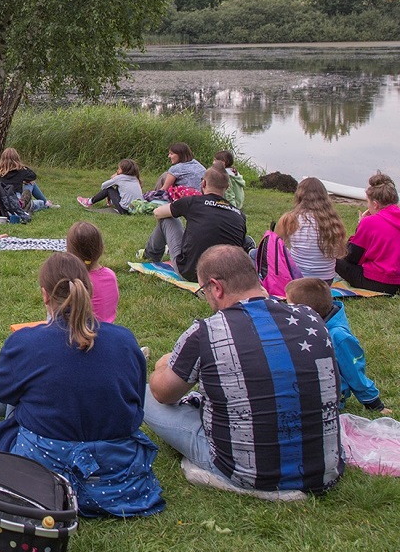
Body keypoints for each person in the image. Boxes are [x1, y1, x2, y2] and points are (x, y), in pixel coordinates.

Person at [0, 253, 164, 518]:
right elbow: (136, 408)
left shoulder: (26, 342)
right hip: (117, 473)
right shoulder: (125, 341)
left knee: (15, 391)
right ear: (88, 290)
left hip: (41, 472)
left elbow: (2, 392)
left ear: (45, 295)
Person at [145, 245, 343, 498]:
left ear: (216, 287)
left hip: (246, 472)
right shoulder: (311, 317)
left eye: (203, 290)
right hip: (324, 469)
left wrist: (164, 364)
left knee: (142, 395)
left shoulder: (205, 333)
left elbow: (164, 393)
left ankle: (224, 475)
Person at [286, 278, 390, 415]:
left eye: (289, 305)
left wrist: (373, 403)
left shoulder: (338, 336)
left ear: (307, 311)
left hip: (327, 399)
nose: (286, 310)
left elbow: (354, 371)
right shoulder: (306, 324)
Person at [142, 167, 246, 282]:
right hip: (224, 276)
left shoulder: (193, 202)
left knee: (168, 219)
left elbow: (157, 213)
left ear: (203, 183)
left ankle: (151, 255)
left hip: (191, 273)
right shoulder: (239, 214)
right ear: (227, 187)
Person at [335, 172, 400, 295]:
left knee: (333, 258)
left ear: (375, 204)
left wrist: (361, 225)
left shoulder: (370, 223)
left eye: (368, 202)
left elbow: (352, 257)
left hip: (381, 281)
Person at [275, 177, 346, 282]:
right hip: (326, 281)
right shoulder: (334, 221)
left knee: (254, 253)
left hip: (297, 280)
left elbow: (273, 246)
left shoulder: (290, 219)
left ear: (299, 196)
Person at [67, 221, 118, 323]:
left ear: (70, 251)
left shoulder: (75, 281)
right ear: (101, 248)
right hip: (109, 331)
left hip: (83, 335)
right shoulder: (110, 275)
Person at [78, 158, 142, 214]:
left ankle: (89, 202)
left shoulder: (119, 178)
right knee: (118, 187)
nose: (117, 170)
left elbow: (103, 186)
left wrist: (114, 177)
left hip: (125, 210)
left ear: (124, 171)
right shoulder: (135, 178)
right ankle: (110, 202)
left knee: (109, 189)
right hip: (135, 209)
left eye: (119, 169)